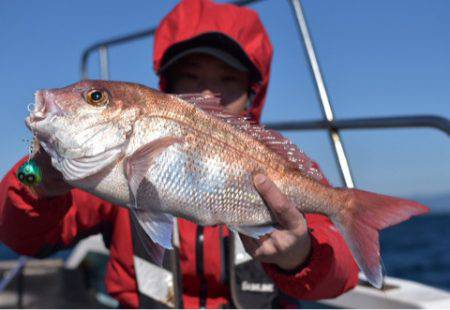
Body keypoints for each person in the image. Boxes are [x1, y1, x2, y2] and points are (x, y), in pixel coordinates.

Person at [0, 0, 358, 308]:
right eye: (191, 76)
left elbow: (342, 276)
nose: (209, 93)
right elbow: (19, 236)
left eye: (228, 79)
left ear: (252, 91)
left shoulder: (280, 165)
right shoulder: (94, 171)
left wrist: (301, 257)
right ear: (167, 87)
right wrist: (36, 182)